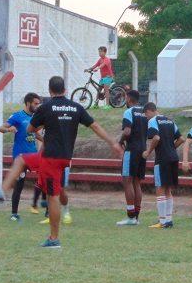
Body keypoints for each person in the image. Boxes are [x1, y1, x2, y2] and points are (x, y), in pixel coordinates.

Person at [29, 75, 123, 248]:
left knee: (53, 197)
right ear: (65, 90)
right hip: (66, 156)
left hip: (50, 157)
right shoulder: (76, 107)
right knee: (56, 192)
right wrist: (112, 142)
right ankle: (56, 229)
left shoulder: (46, 107)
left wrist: (46, 123)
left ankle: (54, 238)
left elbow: (30, 129)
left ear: (49, 90)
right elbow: (94, 126)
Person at [0, 92, 42, 221]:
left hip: (33, 154)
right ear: (28, 103)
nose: (37, 106)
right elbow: (1, 128)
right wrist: (8, 129)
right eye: (35, 103)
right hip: (20, 156)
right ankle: (14, 214)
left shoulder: (35, 117)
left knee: (45, 178)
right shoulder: (17, 116)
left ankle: (42, 209)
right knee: (20, 182)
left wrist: (44, 140)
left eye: (38, 104)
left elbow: (35, 133)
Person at [142, 102, 184, 229]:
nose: (147, 118)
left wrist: (148, 152)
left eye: (146, 115)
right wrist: (171, 147)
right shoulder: (170, 121)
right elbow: (181, 139)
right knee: (168, 188)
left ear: (149, 111)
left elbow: (156, 138)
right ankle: (168, 220)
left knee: (159, 187)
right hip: (173, 157)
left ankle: (162, 221)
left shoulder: (153, 121)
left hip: (162, 158)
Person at [117, 89, 147, 226]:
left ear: (129, 100)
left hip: (132, 150)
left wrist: (120, 140)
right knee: (136, 182)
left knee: (127, 181)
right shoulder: (145, 113)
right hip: (143, 150)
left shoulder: (129, 112)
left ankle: (130, 216)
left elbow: (127, 131)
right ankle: (136, 217)